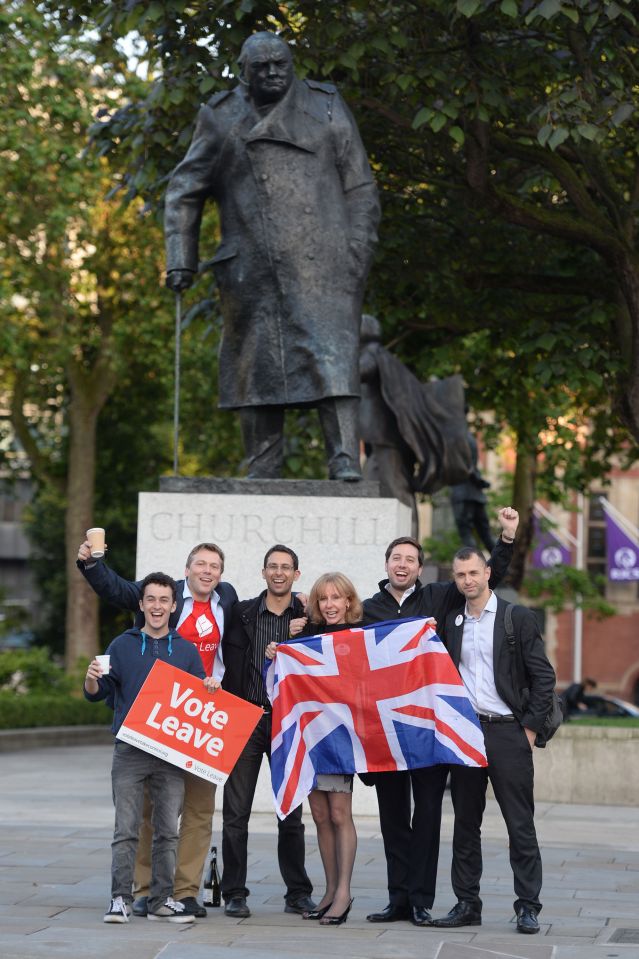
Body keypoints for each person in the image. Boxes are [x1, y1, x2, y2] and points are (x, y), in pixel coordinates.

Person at [164, 31, 380, 480]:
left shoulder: (325, 106)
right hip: (251, 269)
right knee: (256, 368)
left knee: (333, 361)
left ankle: (344, 461)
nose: (272, 72)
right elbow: (185, 189)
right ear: (243, 72)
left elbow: (359, 185)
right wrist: (180, 258)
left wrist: (358, 248)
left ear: (292, 63)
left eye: (280, 63)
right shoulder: (221, 117)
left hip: (327, 266)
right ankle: (262, 466)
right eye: (260, 66)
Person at [361, 507, 519, 927]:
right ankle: (396, 898)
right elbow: (334, 644)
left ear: (419, 568)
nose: (403, 565)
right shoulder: (368, 609)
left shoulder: (437, 597)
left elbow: (486, 578)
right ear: (387, 565)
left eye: (410, 560)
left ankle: (419, 900)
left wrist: (505, 540)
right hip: (387, 730)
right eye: (397, 558)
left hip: (429, 728)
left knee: (427, 814)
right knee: (392, 815)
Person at [77, 540, 237, 918]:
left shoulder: (226, 603)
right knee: (141, 820)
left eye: (214, 565)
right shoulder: (137, 628)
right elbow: (117, 589)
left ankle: (181, 893)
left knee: (190, 816)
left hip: (195, 730)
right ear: (186, 570)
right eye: (200, 564)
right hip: (143, 735)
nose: (207, 571)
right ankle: (141, 891)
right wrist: (92, 563)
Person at [432, 547, 556, 934]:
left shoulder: (516, 618)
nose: (467, 580)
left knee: (519, 824)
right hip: (466, 732)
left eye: (473, 572)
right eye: (460, 575)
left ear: (487, 573)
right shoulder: (450, 622)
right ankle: (467, 903)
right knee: (465, 824)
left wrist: (529, 730)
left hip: (507, 732)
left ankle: (528, 906)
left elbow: (544, 678)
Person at [219, 545, 315, 918]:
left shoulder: (308, 615)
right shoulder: (240, 612)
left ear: (296, 574)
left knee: (290, 810)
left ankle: (297, 893)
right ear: (263, 573)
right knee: (235, 812)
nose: (279, 573)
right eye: (272, 567)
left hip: (287, 722)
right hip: (245, 717)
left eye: (286, 567)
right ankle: (235, 893)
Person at [267, 573, 363, 926]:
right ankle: (328, 889)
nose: (330, 604)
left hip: (341, 738)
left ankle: (344, 893)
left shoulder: (358, 637)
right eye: (324, 599)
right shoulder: (307, 637)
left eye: (337, 598)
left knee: (340, 814)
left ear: (349, 602)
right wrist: (276, 653)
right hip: (310, 738)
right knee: (320, 816)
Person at [359, 313, 473, 536]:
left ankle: (408, 543)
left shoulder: (371, 353)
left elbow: (356, 372)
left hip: (385, 438)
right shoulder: (380, 355)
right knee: (371, 488)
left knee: (396, 491)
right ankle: (390, 543)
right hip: (380, 439)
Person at [450, 428, 495, 551]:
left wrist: (478, 480)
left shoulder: (456, 437)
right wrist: (480, 481)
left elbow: (465, 466)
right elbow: (471, 466)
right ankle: (503, 567)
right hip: (476, 494)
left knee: (466, 534)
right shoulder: (469, 437)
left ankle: (472, 566)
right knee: (486, 536)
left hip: (462, 494)